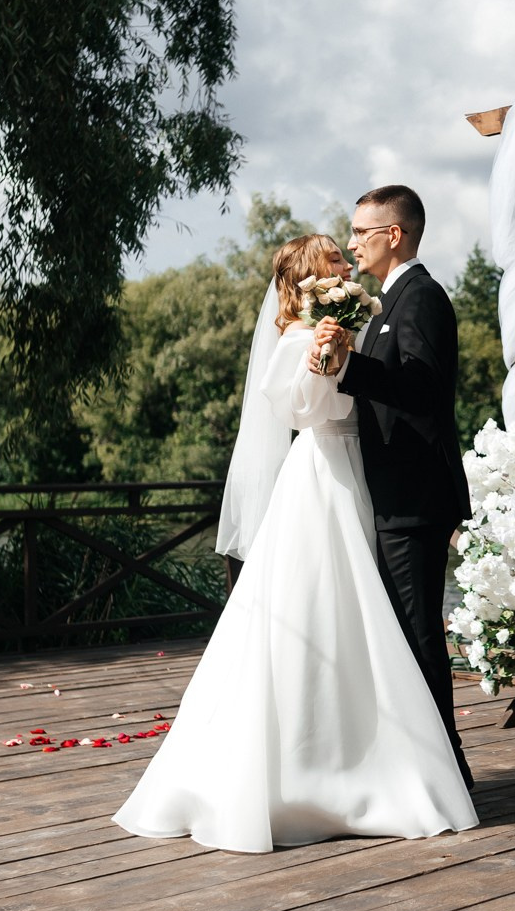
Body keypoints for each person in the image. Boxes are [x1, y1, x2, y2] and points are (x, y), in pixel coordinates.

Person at [113, 233, 476, 851]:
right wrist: (320, 361)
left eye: (346, 252)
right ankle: (306, 773)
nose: (345, 261)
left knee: (367, 619)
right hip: (321, 474)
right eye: (334, 257)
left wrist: (343, 349)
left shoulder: (357, 322)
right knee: (320, 607)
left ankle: (374, 756)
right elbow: (297, 411)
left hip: (365, 473)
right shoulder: (295, 336)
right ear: (310, 277)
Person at [314, 184, 477, 788]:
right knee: (402, 630)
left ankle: (445, 770)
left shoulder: (421, 297)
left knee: (418, 629)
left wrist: (349, 368)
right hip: (393, 495)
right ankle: (417, 762)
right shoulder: (387, 300)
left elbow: (424, 389)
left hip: (414, 497)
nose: (352, 242)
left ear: (394, 235)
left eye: (360, 231)